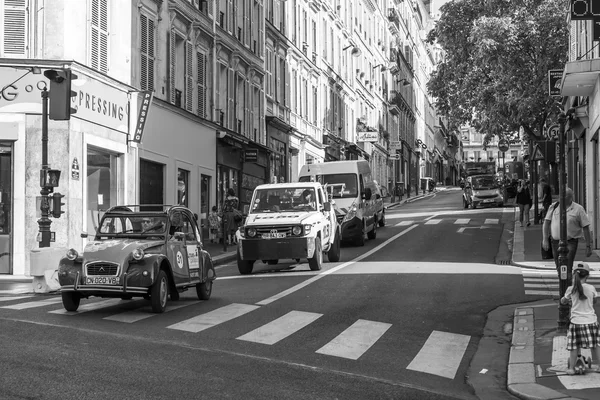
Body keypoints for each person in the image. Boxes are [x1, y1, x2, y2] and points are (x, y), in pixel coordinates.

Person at [542, 187, 593, 282]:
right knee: (559, 267)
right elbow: (546, 223)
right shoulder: (554, 207)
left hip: (571, 241)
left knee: (567, 266)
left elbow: (586, 227)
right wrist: (545, 239)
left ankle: (567, 290)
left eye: (563, 196)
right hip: (555, 241)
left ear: (570, 197)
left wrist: (588, 245)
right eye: (560, 196)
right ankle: (564, 287)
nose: (560, 198)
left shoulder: (578, 209)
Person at [560, 262, 600, 375]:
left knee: (574, 345)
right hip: (591, 321)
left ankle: (571, 368)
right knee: (596, 345)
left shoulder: (570, 289)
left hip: (576, 321)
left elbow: (563, 301)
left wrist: (565, 300)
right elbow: (595, 301)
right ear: (587, 276)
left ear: (574, 274)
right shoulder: (591, 288)